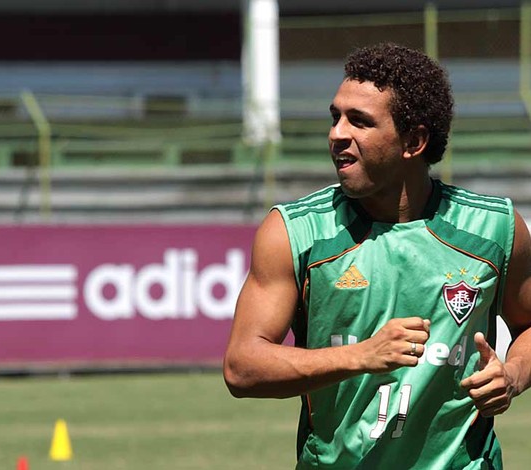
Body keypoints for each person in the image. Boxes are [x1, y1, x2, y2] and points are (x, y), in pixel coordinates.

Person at [223, 42, 531, 469]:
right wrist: (360, 356)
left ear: (414, 141)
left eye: (359, 122)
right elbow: (242, 366)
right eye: (335, 117)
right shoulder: (295, 232)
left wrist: (512, 376)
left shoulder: (495, 228)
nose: (337, 134)